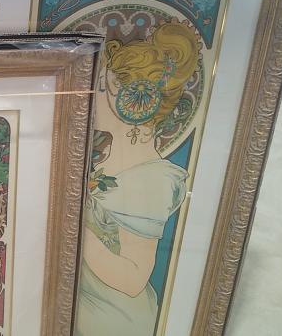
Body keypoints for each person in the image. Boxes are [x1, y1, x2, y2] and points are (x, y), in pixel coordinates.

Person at [75, 20, 196, 335]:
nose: (91, 96)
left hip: (110, 319)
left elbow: (133, 279)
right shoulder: (107, 157)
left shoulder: (150, 180)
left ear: (131, 102)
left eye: (101, 88)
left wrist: (71, 228)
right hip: (84, 303)